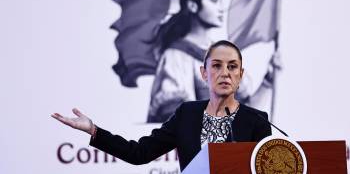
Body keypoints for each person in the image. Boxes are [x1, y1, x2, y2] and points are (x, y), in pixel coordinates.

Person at [52, 40, 272, 171]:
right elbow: (139, 153)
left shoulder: (257, 121)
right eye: (217, 66)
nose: (225, 73)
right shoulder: (187, 114)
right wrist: (93, 130)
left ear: (241, 75)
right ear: (204, 73)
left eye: (233, 67)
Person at [147, 0, 224, 122]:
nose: (221, 8)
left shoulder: (222, 54)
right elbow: (177, 117)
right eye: (213, 0)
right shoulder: (176, 55)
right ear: (193, 6)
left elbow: (242, 116)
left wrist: (267, 82)